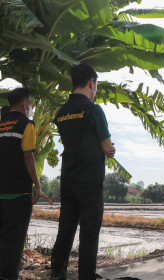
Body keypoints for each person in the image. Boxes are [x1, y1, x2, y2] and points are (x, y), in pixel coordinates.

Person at [51, 62, 115, 280]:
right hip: (90, 181)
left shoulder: (61, 113)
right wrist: (110, 149)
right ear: (91, 83)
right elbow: (107, 147)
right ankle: (86, 277)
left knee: (66, 229)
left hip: (68, 179)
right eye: (95, 85)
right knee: (88, 232)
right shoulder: (93, 110)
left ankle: (57, 274)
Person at [0, 88, 42, 280]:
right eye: (31, 102)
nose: (31, 106)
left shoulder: (1, 122)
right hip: (18, 194)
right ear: (25, 104)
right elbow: (28, 157)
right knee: (14, 242)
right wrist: (37, 185)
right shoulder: (26, 124)